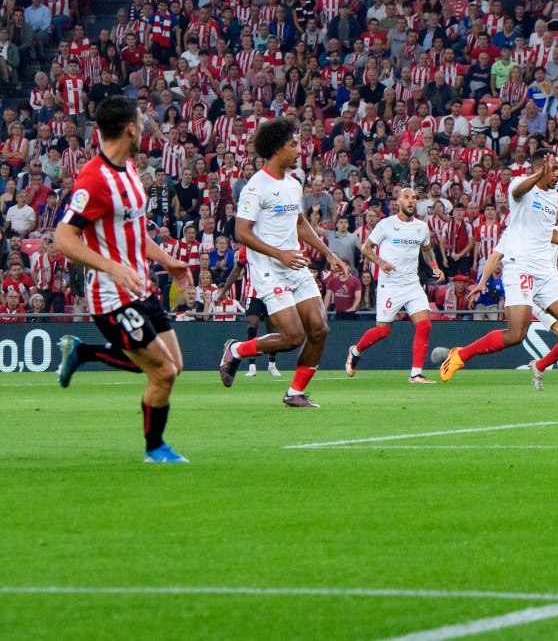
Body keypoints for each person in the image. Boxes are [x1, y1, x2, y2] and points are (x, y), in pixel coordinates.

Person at [52, 96, 194, 463]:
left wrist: (168, 260)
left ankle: (83, 352)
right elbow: (63, 238)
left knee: (173, 367)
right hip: (112, 297)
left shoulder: (129, 170)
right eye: (142, 118)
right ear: (130, 127)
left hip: (141, 286)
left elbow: (132, 233)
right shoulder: (93, 179)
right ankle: (154, 449)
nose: (146, 123)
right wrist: (112, 267)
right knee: (162, 372)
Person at [440, 149, 558, 402]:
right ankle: (460, 355)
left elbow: (550, 233)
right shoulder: (521, 186)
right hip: (520, 267)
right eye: (555, 169)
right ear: (542, 167)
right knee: (515, 335)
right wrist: (483, 281)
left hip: (545, 272)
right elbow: (518, 193)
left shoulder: (553, 197)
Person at [218, 118, 352, 407]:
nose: (299, 149)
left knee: (319, 328)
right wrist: (279, 254)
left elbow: (300, 223)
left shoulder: (293, 184)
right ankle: (237, 350)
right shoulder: (256, 187)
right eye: (293, 144)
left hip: (295, 265)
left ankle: (295, 393)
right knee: (292, 337)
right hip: (269, 270)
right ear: (277, 149)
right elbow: (241, 232)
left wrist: (329, 255)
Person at [346, 187, 446, 383]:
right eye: (406, 197)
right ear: (399, 201)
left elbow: (427, 251)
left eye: (414, 198)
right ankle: (355, 350)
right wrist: (381, 263)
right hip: (390, 285)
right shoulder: (386, 224)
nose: (411, 201)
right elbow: (366, 249)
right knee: (383, 330)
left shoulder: (421, 227)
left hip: (412, 283)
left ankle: (416, 374)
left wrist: (434, 266)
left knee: (424, 325)